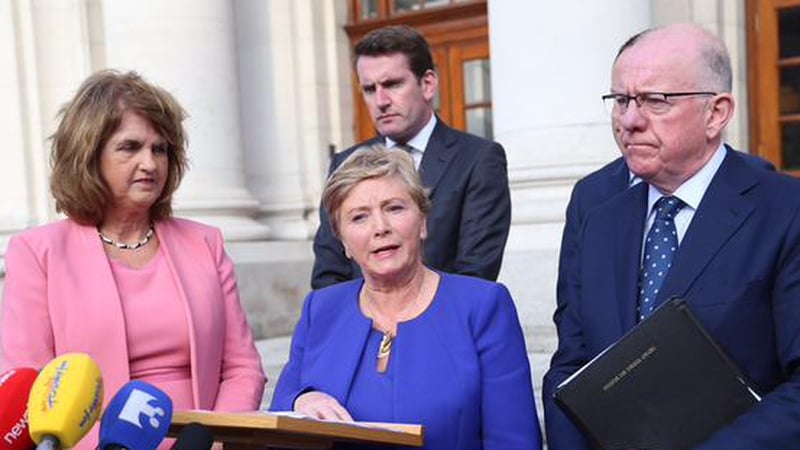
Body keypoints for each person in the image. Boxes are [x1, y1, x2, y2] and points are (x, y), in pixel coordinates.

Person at [543, 23, 800, 449]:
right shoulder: (600, 220)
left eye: (654, 101)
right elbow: (571, 366)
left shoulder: (785, 211)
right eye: (621, 100)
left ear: (716, 113)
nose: (629, 120)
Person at [0, 70, 266, 449]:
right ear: (89, 155)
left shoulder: (205, 243)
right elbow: (31, 386)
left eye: (160, 149)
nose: (150, 163)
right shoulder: (37, 253)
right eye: (131, 147)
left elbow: (243, 368)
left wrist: (218, 439)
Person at [271, 146, 542, 450]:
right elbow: (278, 410)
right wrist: (301, 399)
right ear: (343, 241)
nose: (380, 228)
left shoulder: (482, 306)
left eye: (395, 208)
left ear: (423, 222)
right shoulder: (320, 308)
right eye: (359, 217)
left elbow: (513, 440)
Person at [311, 25, 511, 289]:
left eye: (392, 84)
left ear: (428, 84)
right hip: (362, 327)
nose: (380, 100)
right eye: (369, 89)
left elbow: (475, 273)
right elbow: (328, 273)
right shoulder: (345, 164)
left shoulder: (478, 159)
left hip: (444, 325)